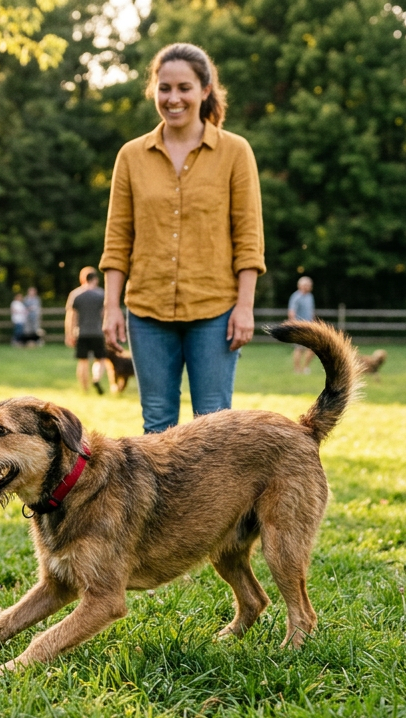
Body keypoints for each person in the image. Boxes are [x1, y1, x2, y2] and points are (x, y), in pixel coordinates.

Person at [100, 42, 265, 433]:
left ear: (205, 90)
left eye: (184, 88)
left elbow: (248, 237)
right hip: (147, 312)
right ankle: (159, 500)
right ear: (153, 90)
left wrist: (245, 306)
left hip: (215, 311)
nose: (173, 98)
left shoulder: (235, 152)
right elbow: (118, 238)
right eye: (164, 88)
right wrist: (110, 306)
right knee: (156, 424)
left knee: (214, 428)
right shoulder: (131, 156)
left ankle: (214, 499)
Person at [65, 267, 112, 394]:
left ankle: (85, 389)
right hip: (97, 332)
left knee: (83, 361)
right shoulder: (101, 294)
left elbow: (71, 316)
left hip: (81, 333)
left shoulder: (76, 294)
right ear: (95, 279)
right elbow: (105, 315)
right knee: (100, 359)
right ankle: (96, 378)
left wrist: (69, 334)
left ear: (83, 279)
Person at [287, 276, 316, 374]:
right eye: (305, 285)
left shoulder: (310, 297)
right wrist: (293, 325)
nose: (307, 287)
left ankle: (305, 367)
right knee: (299, 348)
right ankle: (297, 369)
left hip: (309, 326)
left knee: (313, 348)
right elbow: (291, 312)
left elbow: (311, 311)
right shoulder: (296, 297)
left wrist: (314, 322)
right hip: (299, 326)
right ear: (299, 285)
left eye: (309, 285)